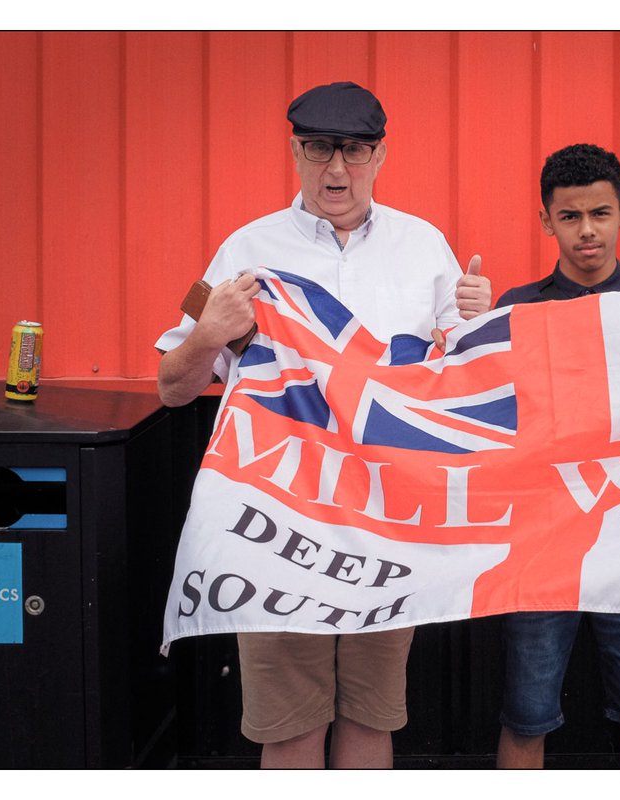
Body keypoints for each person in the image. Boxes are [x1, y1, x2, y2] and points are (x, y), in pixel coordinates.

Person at [155, 80, 491, 768]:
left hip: (388, 520)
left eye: (356, 151)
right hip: (277, 522)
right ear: (295, 151)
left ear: (381, 155)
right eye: (318, 149)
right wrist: (207, 335)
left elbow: (465, 380)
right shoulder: (247, 249)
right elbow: (171, 389)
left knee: (372, 717)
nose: (337, 169)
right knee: (290, 727)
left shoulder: (423, 246)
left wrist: (478, 320)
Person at [492, 143, 620, 769]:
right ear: (547, 221)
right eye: (570, 217)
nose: (587, 230)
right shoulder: (513, 309)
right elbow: (482, 416)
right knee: (526, 713)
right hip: (540, 545)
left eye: (601, 212)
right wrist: (464, 334)